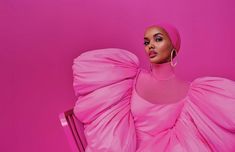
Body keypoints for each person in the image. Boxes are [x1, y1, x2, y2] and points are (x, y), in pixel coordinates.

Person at [72, 23, 235, 152]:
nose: (150, 45)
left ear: (173, 46)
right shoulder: (127, 78)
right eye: (146, 41)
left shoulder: (192, 93)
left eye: (158, 39)